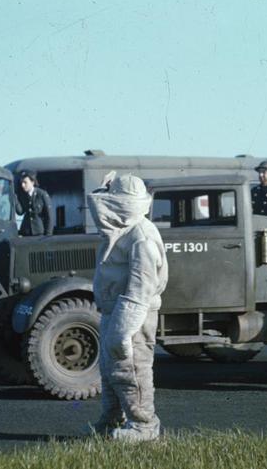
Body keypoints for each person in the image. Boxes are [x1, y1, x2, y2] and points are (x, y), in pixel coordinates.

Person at [87, 172, 168, 442]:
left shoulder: (141, 236)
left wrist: (122, 332)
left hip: (133, 314)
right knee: (111, 370)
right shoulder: (124, 228)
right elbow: (103, 215)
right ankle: (112, 420)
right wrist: (105, 187)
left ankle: (144, 426)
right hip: (116, 310)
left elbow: (140, 290)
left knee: (131, 368)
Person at [15, 170, 53, 236]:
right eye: (21, 182)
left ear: (32, 182)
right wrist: (15, 199)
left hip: (39, 233)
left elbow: (49, 216)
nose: (22, 185)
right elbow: (20, 212)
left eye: (25, 182)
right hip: (25, 232)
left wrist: (48, 235)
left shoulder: (42, 194)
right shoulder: (23, 195)